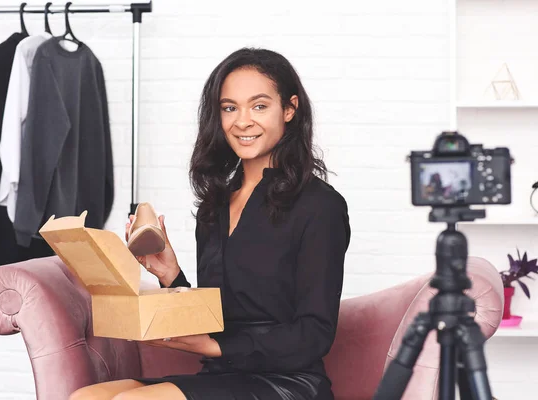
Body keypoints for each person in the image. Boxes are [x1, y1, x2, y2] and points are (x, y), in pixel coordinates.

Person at [69, 47, 351, 400]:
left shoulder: (320, 205)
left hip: (287, 383)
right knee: (85, 397)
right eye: (229, 108)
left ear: (290, 109)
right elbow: (221, 312)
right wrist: (171, 275)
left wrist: (215, 346)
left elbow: (314, 334)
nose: (242, 121)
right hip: (223, 375)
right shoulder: (215, 205)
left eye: (259, 106)